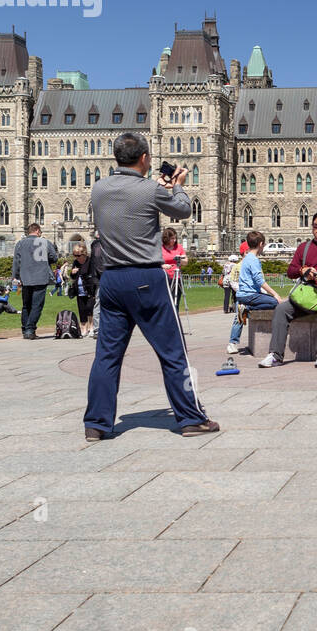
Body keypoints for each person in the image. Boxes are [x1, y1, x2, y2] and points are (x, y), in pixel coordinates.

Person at [83, 132, 217, 440]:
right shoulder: (150, 190)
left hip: (112, 279)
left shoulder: (99, 188)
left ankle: (96, 424)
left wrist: (157, 187)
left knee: (107, 355)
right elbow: (182, 210)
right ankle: (190, 417)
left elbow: (132, 200)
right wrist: (178, 185)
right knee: (173, 353)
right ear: (144, 158)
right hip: (146, 277)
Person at [259, 211, 317, 368]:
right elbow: (291, 271)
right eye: (315, 225)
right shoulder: (304, 247)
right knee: (282, 309)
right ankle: (275, 355)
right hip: (306, 294)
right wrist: (302, 270)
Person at [227, 230, 282, 355]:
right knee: (275, 302)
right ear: (261, 244)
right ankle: (247, 308)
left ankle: (247, 307)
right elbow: (259, 281)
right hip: (249, 296)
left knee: (268, 299)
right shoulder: (253, 260)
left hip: (244, 294)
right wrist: (275, 294)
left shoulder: (246, 259)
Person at [11, 222, 59, 340]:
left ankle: (25, 329)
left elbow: (16, 262)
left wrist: (15, 277)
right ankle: (30, 329)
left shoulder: (20, 243)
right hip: (40, 277)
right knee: (37, 305)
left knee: (26, 305)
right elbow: (54, 258)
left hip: (25, 278)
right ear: (37, 231)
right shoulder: (44, 242)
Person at [67, 237, 100, 338]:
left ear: (84, 253)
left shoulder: (90, 261)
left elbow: (92, 276)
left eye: (78, 255)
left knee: (90, 308)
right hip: (79, 289)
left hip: (89, 289)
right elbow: (73, 277)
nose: (76, 257)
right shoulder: (76, 262)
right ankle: (83, 328)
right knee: (82, 309)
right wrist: (72, 273)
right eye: (75, 255)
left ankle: (91, 327)